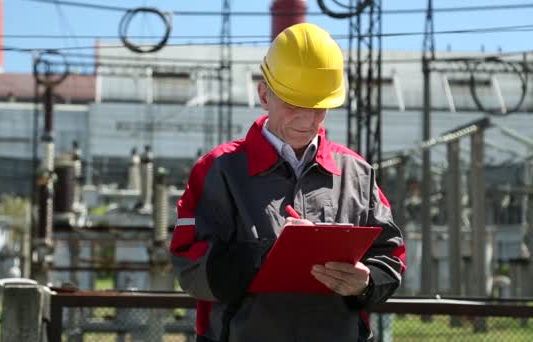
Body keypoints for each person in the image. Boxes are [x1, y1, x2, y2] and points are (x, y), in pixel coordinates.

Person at [169, 23, 406, 342]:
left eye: (320, 107)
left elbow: (391, 257)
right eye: (294, 104)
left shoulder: (357, 173)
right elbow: (189, 266)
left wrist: (366, 282)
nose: (308, 119)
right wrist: (269, 255)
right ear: (264, 93)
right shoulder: (219, 170)